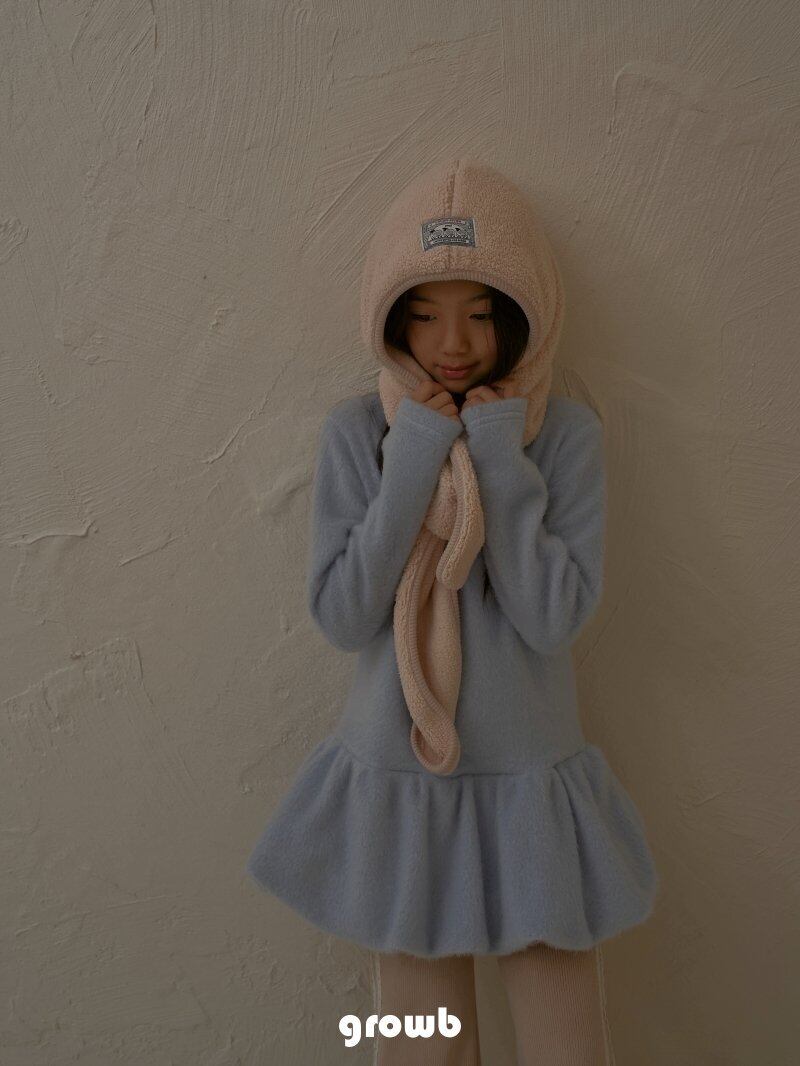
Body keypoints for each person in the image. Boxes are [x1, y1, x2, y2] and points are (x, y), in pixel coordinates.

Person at [246, 158, 659, 1065]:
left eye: (480, 311)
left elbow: (553, 620)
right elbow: (344, 614)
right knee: (420, 1049)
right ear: (391, 318)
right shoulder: (359, 435)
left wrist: (500, 460)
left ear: (522, 313)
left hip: (530, 791)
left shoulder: (565, 437)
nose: (454, 342)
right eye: (426, 313)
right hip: (401, 792)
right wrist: (414, 458)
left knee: (568, 1048)